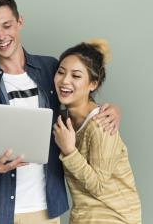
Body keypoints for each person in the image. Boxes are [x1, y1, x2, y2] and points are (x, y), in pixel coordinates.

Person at [0, 0, 121, 224]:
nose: (1, 36)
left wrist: (113, 109)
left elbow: (80, 101)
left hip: (44, 207)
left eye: (7, 25)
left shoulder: (51, 69)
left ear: (20, 22)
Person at [53, 39, 141, 223]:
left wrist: (69, 151)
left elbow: (99, 186)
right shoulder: (65, 118)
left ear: (93, 84)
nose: (65, 80)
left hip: (114, 218)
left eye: (76, 76)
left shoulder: (101, 124)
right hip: (85, 217)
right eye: (60, 72)